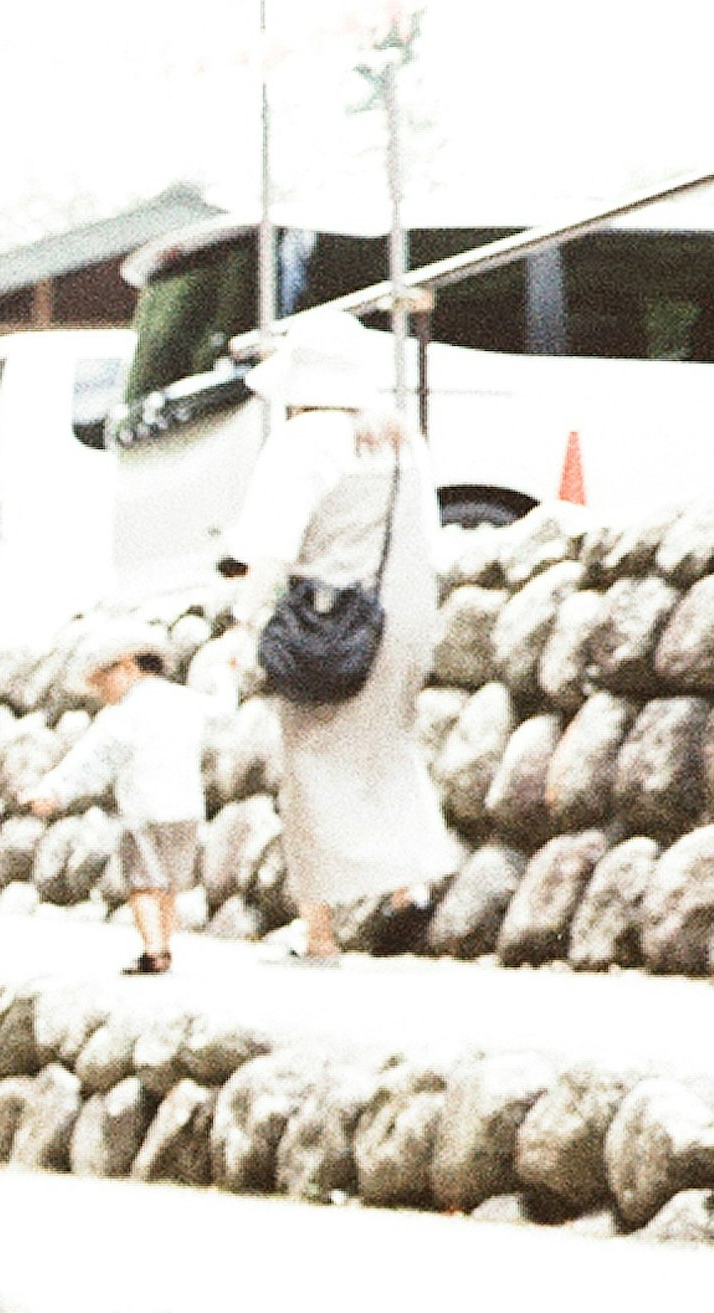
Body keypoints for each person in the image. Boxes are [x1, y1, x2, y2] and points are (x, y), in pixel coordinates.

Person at [222, 312, 459, 962]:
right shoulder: (400, 440)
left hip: (327, 628)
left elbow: (270, 550)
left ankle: (319, 931)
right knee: (390, 750)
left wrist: (246, 625)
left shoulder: (300, 443)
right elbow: (430, 540)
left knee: (313, 767)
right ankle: (408, 890)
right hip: (403, 621)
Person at [28, 620, 208, 976]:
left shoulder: (124, 713)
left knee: (142, 884)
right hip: (186, 807)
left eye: (100, 681)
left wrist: (55, 789)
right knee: (169, 885)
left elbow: (92, 758)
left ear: (126, 667)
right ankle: (164, 945)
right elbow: (221, 716)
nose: (99, 691)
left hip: (144, 809)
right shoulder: (188, 701)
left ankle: (152, 949)